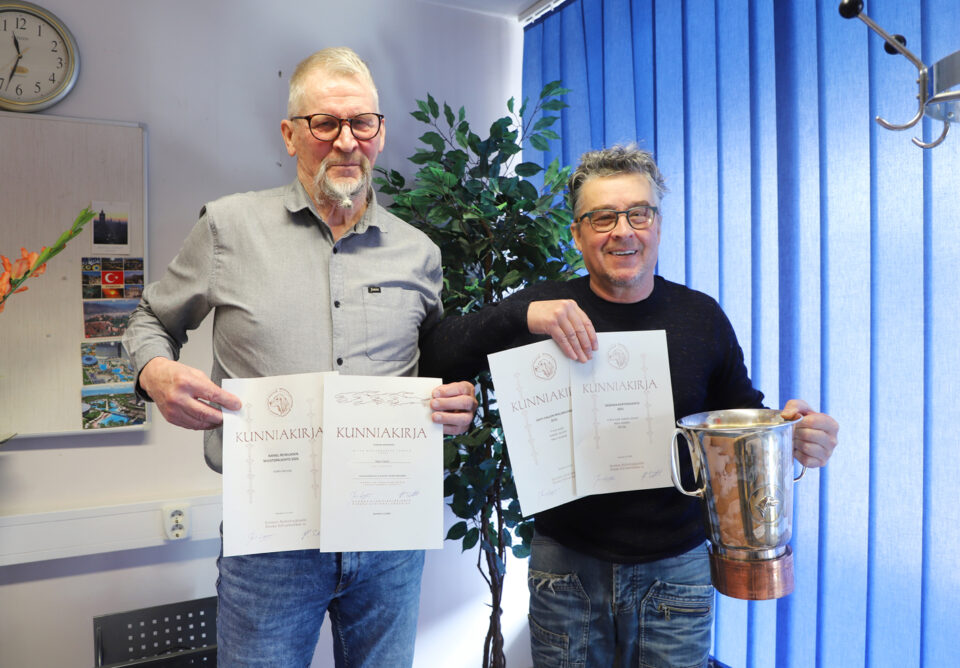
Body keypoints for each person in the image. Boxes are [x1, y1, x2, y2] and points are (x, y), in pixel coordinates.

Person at [122, 47, 478, 667]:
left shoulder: (420, 253)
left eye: (361, 122)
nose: (346, 141)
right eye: (325, 123)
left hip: (389, 535)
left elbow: (434, 368)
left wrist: (457, 404)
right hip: (271, 543)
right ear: (290, 135)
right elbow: (150, 319)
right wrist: (154, 372)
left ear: (380, 133)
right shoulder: (228, 229)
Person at [419, 145, 839, 668]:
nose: (623, 231)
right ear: (577, 234)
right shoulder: (544, 308)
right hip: (566, 565)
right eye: (602, 218)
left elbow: (739, 418)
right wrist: (521, 313)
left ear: (657, 225)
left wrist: (791, 434)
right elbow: (437, 355)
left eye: (638, 213)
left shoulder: (701, 317)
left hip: (677, 568)